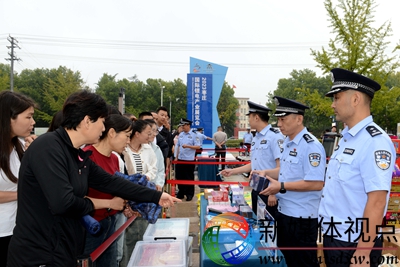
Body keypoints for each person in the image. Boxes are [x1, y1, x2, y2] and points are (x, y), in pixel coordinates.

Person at [7, 90, 180, 267]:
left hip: (63, 249)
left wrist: (156, 196)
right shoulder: (48, 148)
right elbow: (63, 202)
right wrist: (104, 204)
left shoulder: (76, 154)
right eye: (102, 122)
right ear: (87, 121)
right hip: (39, 254)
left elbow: (110, 182)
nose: (104, 129)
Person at [318, 68, 395, 267]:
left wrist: (363, 251)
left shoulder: (375, 142)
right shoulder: (347, 138)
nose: (332, 105)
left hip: (355, 244)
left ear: (355, 99)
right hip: (335, 237)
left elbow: (377, 201)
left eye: (336, 97)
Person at [260, 96, 326, 267]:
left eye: (283, 119)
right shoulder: (288, 143)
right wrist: (265, 172)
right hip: (285, 214)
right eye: (278, 119)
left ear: (299, 119)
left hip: (302, 218)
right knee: (287, 261)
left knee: (303, 262)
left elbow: (317, 183)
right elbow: (287, 172)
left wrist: (280, 186)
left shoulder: (311, 145)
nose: (279, 124)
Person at [82, 114, 133, 267]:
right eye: (127, 136)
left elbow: (115, 187)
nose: (129, 141)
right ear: (112, 133)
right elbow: (75, 197)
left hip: (110, 222)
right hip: (90, 226)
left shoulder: (116, 158)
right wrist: (110, 202)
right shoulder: (87, 157)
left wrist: (124, 204)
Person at [221, 101, 284, 216]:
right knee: (258, 226)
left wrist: (274, 193)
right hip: (256, 188)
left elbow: (282, 168)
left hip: (270, 192)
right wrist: (233, 171)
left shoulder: (275, 137)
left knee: (269, 228)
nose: (248, 120)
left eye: (249, 117)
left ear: (256, 117)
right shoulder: (256, 138)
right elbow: (254, 164)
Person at [0, 91, 36, 266]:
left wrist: (35, 155)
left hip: (20, 229)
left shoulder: (22, 146)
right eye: (28, 117)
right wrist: (23, 193)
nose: (33, 122)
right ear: (9, 117)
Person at [120, 119, 158, 267]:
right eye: (148, 133)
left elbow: (153, 169)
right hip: (127, 196)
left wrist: (144, 179)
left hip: (144, 196)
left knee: (143, 233)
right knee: (129, 239)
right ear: (136, 134)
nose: (150, 137)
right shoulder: (123, 150)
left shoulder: (148, 149)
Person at [175, 118, 200, 201]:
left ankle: (189, 194)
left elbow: (198, 146)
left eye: (184, 125)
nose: (182, 127)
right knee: (179, 177)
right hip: (180, 159)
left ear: (188, 125)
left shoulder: (194, 135)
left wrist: (188, 146)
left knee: (188, 177)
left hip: (189, 160)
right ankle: (181, 192)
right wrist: (176, 156)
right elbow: (177, 145)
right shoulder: (181, 134)